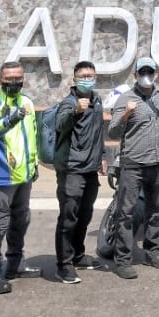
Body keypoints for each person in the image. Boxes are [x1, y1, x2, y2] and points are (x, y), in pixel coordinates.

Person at [108, 57, 159, 279]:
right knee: (125, 213)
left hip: (157, 164)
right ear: (135, 75)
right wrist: (126, 113)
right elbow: (113, 131)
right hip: (133, 163)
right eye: (142, 72)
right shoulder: (126, 98)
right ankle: (123, 260)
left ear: (156, 74)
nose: (146, 75)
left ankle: (152, 252)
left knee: (155, 211)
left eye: (150, 71)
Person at [0, 60, 40, 294]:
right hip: (2, 177)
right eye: (9, 79)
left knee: (21, 221)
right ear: (0, 81)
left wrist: (33, 164)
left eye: (18, 79)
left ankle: (15, 264)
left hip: (24, 176)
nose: (14, 83)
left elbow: (31, 136)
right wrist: (8, 119)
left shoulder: (27, 103)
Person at [54, 60, 107, 284]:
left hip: (91, 169)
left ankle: (77, 255)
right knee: (69, 217)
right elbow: (60, 125)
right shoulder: (69, 102)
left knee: (84, 216)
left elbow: (99, 132)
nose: (88, 79)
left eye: (91, 75)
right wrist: (75, 111)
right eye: (83, 75)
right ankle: (64, 265)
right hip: (71, 170)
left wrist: (103, 156)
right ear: (74, 80)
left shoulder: (97, 100)